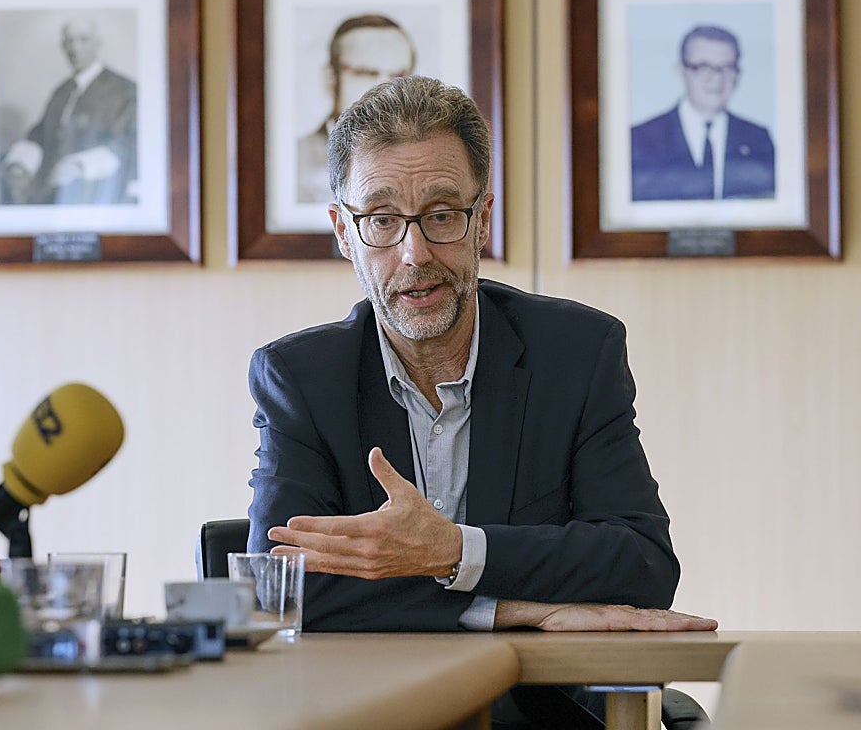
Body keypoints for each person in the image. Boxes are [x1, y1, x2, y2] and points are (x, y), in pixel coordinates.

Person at [248, 75, 716, 727]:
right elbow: (280, 593)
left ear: (481, 220)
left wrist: (454, 551)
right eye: (382, 220)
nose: (415, 253)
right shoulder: (301, 377)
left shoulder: (577, 353)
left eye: (440, 215)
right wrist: (507, 606)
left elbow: (640, 564)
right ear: (343, 231)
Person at [0, 16, 138, 206]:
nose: (75, 48)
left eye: (83, 40)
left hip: (97, 195)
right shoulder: (63, 91)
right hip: (53, 193)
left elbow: (127, 145)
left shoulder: (124, 90)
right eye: (69, 41)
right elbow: (41, 133)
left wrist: (78, 166)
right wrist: (20, 162)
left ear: (98, 44)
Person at [631, 24, 776, 201]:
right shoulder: (641, 140)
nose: (716, 78)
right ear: (681, 72)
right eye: (703, 67)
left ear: (737, 75)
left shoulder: (758, 139)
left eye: (726, 68)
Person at [296, 14, 416, 203]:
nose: (384, 89)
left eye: (398, 75)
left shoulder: (430, 162)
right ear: (331, 79)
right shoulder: (298, 161)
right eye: (366, 73)